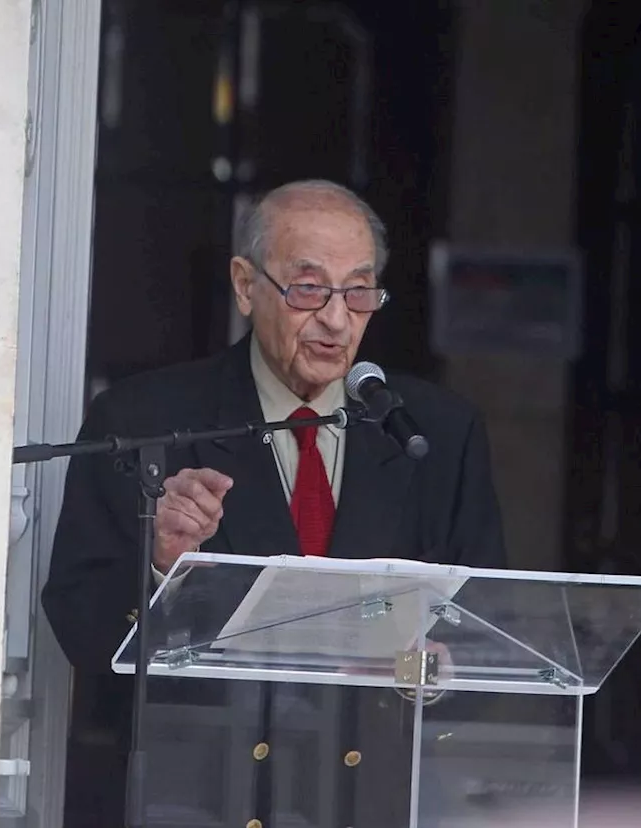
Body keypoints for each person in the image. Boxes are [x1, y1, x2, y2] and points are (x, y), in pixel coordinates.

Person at [42, 179, 507, 826]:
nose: (337, 319)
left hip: (365, 798)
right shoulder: (148, 420)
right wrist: (162, 568)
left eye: (359, 290)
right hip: (204, 798)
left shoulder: (434, 432)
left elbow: (492, 631)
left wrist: (438, 672)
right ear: (244, 285)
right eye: (309, 288)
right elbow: (83, 628)